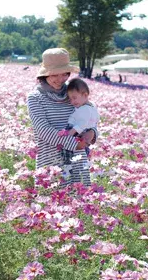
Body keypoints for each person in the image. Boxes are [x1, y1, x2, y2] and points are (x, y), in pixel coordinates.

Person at [27, 48, 97, 187]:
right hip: (51, 161)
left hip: (78, 159)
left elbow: (89, 116)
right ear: (45, 74)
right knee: (53, 201)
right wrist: (75, 144)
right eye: (54, 75)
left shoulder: (73, 93)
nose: (60, 80)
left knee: (80, 203)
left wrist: (92, 133)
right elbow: (43, 130)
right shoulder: (35, 97)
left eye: (64, 74)